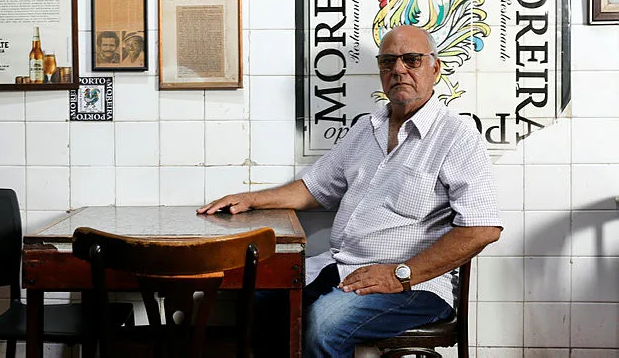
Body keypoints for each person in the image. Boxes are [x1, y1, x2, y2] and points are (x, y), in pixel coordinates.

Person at [198, 24, 502, 357]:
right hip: (343, 267)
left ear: (435, 67)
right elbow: (314, 189)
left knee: (324, 324)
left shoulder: (456, 137)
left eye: (411, 60)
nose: (399, 69)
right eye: (388, 62)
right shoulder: (366, 127)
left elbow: (482, 228)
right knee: (261, 296)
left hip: (414, 284)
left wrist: (401, 275)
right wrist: (251, 199)